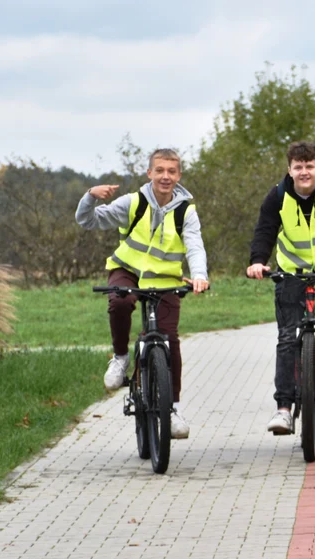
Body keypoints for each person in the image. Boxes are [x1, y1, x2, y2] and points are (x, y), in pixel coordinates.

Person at [75, 148, 209, 440]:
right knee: (120, 302)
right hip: (128, 270)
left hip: (164, 279)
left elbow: (195, 245)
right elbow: (88, 221)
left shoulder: (186, 210)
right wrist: (90, 197)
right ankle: (121, 358)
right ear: (150, 173)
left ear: (179, 176)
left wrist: (199, 276)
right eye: (159, 170)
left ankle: (172, 409)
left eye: (171, 171)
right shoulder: (133, 203)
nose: (165, 176)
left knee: (170, 340)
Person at [246, 141, 315, 434]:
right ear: (290, 169)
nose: (304, 172)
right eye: (298, 167)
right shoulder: (278, 196)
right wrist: (258, 260)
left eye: (309, 166)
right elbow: (265, 230)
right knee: (286, 338)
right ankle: (283, 409)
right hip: (292, 269)